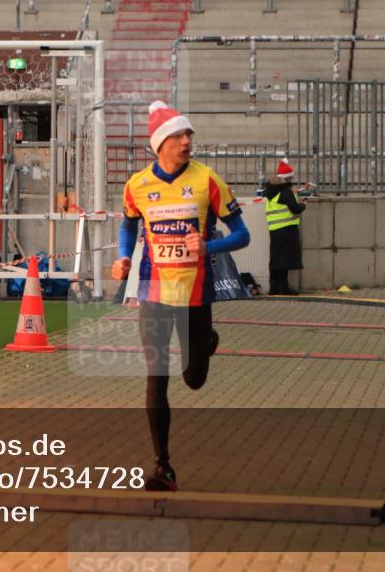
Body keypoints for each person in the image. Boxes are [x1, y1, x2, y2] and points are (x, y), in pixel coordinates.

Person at [111, 101, 250, 491]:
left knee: (193, 379)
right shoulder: (137, 184)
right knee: (157, 376)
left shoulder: (208, 180)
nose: (187, 141)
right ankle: (163, 466)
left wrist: (208, 247)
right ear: (160, 144)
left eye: (188, 134)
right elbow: (127, 226)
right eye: (178, 135)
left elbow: (243, 234)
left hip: (194, 295)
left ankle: (206, 343)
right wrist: (123, 257)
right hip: (153, 292)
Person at [261, 158, 306, 295]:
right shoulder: (285, 191)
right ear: (287, 178)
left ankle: (274, 288)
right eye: (291, 177)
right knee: (284, 260)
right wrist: (303, 205)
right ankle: (283, 288)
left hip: (274, 229)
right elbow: (295, 209)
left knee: (276, 259)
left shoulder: (270, 190)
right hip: (286, 228)